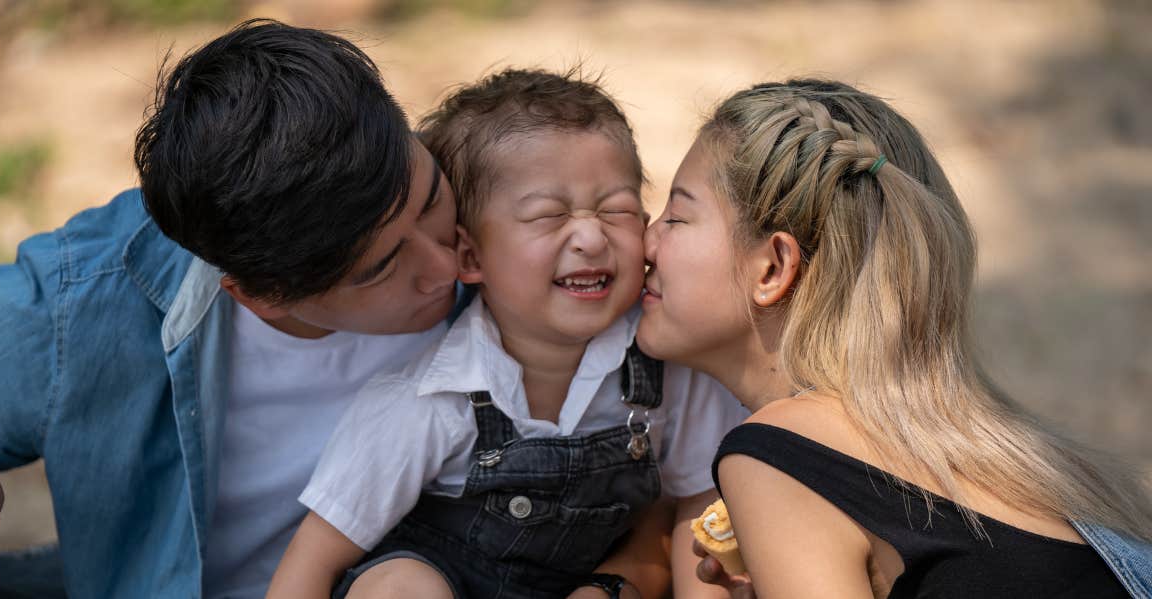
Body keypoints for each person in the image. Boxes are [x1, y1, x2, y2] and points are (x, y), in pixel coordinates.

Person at [0, 19, 464, 598]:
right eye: (381, 267)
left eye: (432, 198)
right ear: (262, 296)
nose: (447, 266)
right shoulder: (89, 297)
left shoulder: (501, 211)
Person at [638, 78, 1152, 598]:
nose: (646, 240)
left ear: (772, 267)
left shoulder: (781, 453)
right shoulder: (1008, 452)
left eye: (676, 217)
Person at [267, 68, 748, 599]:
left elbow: (699, 511)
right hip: (444, 583)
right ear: (471, 256)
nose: (590, 236)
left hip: (589, 583)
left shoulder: (667, 363)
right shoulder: (426, 400)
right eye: (548, 216)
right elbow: (312, 560)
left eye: (618, 210)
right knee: (401, 588)